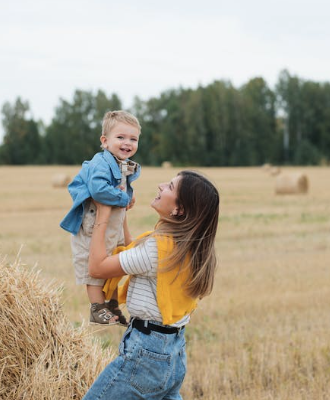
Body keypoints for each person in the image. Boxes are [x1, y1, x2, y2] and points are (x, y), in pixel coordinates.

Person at [83, 170, 219, 400]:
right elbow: (136, 254)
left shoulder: (158, 250)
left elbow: (97, 267)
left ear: (179, 209)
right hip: (172, 354)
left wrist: (103, 214)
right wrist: (122, 215)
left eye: (170, 187)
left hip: (147, 356)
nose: (160, 185)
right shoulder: (185, 248)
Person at [60, 110, 142, 325]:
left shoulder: (120, 164)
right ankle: (97, 308)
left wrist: (127, 199)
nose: (127, 143)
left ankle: (112, 304)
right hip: (92, 224)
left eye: (133, 139)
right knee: (94, 265)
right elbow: (98, 190)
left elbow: (120, 191)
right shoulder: (101, 164)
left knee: (115, 261)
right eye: (121, 137)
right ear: (105, 141)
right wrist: (124, 199)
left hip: (111, 224)